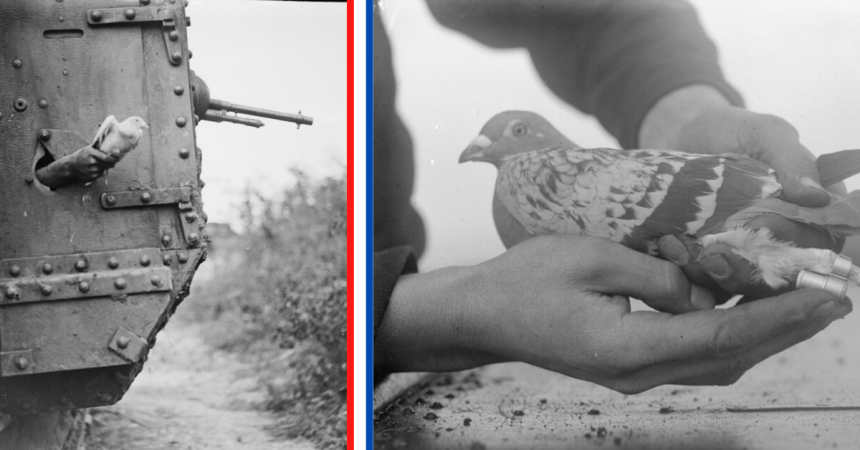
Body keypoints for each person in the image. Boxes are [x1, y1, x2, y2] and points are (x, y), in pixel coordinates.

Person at [373, 0, 852, 394]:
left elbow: (600, 16)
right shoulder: (525, 176)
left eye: (514, 132)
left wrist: (684, 115)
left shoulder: (527, 174)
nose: (482, 147)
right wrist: (433, 315)